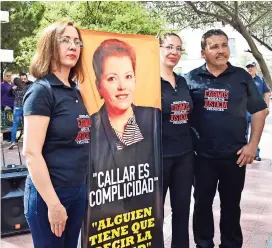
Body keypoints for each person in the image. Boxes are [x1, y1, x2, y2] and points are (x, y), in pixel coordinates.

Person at [185, 29, 267, 248]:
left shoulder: (242, 77)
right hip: (201, 157)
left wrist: (253, 145)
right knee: (202, 205)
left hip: (235, 156)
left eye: (224, 45)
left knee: (231, 206)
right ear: (204, 53)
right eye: (214, 47)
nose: (220, 51)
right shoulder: (191, 79)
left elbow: (259, 110)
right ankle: (204, 244)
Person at [82, 39, 162, 247]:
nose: (122, 86)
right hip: (107, 227)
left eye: (128, 76)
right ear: (98, 85)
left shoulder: (151, 118)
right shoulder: (90, 126)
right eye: (111, 78)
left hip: (143, 224)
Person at [23, 21, 90, 248]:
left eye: (76, 42)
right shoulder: (42, 91)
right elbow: (31, 152)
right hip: (49, 197)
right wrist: (53, 204)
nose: (73, 46)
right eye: (65, 40)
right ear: (50, 46)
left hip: (77, 191)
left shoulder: (75, 91)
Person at [160, 33, 194, 248]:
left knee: (182, 209)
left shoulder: (182, 81)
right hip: (158, 156)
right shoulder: (146, 82)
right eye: (169, 47)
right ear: (158, 49)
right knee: (155, 212)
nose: (174, 52)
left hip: (184, 155)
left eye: (179, 48)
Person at [245, 61, 271, 161]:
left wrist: (267, 107)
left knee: (256, 132)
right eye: (248, 67)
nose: (250, 68)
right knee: (243, 132)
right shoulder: (243, 79)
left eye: (252, 66)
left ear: (256, 68)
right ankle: (243, 152)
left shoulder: (260, 79)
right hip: (244, 110)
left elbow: (267, 93)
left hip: (257, 110)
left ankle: (255, 153)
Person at [8, 75, 32, 149]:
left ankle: (12, 142)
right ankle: (27, 141)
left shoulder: (15, 89)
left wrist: (12, 88)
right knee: (26, 125)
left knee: (15, 125)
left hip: (17, 108)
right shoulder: (27, 87)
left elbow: (9, 95)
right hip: (25, 107)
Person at [1, 69, 14, 142]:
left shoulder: (13, 84)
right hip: (5, 106)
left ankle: (11, 137)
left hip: (13, 106)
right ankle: (6, 138)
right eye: (7, 76)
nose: (9, 77)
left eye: (10, 76)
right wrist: (3, 105)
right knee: (6, 123)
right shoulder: (2, 85)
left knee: (12, 121)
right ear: (4, 77)